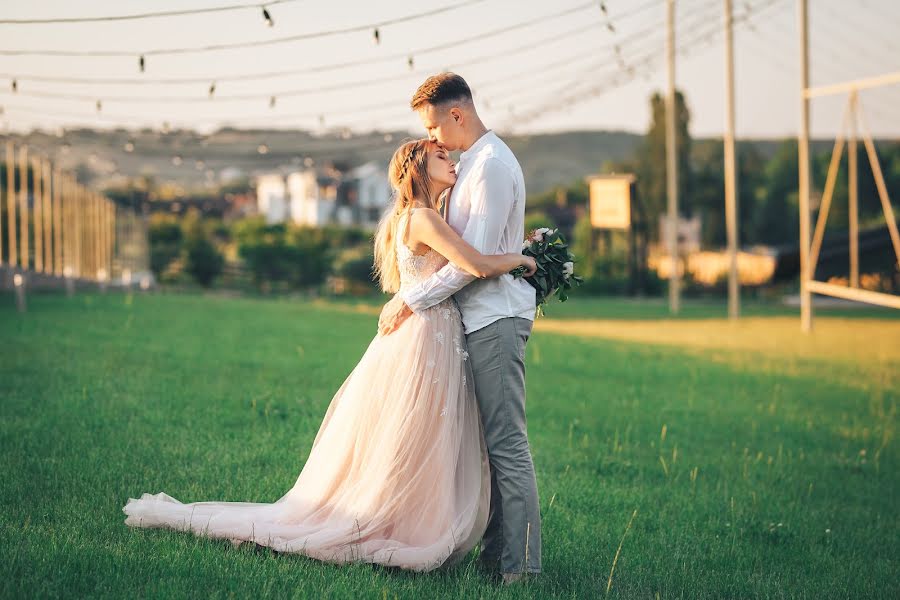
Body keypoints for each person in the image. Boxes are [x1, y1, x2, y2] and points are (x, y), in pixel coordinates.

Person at [122, 138, 537, 574]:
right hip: (428, 335)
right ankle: (399, 525)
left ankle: (409, 519)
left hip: (429, 332)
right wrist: (523, 259)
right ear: (418, 168)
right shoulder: (424, 218)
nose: (450, 161)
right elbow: (475, 263)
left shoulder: (414, 215)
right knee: (417, 437)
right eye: (440, 156)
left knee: (420, 439)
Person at [378, 73, 542, 583]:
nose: (434, 139)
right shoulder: (469, 167)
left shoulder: (490, 167)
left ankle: (520, 570)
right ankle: (495, 556)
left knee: (507, 446)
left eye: (434, 125)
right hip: (471, 320)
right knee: (490, 449)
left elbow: (472, 263)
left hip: (495, 317)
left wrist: (410, 298)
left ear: (457, 114)